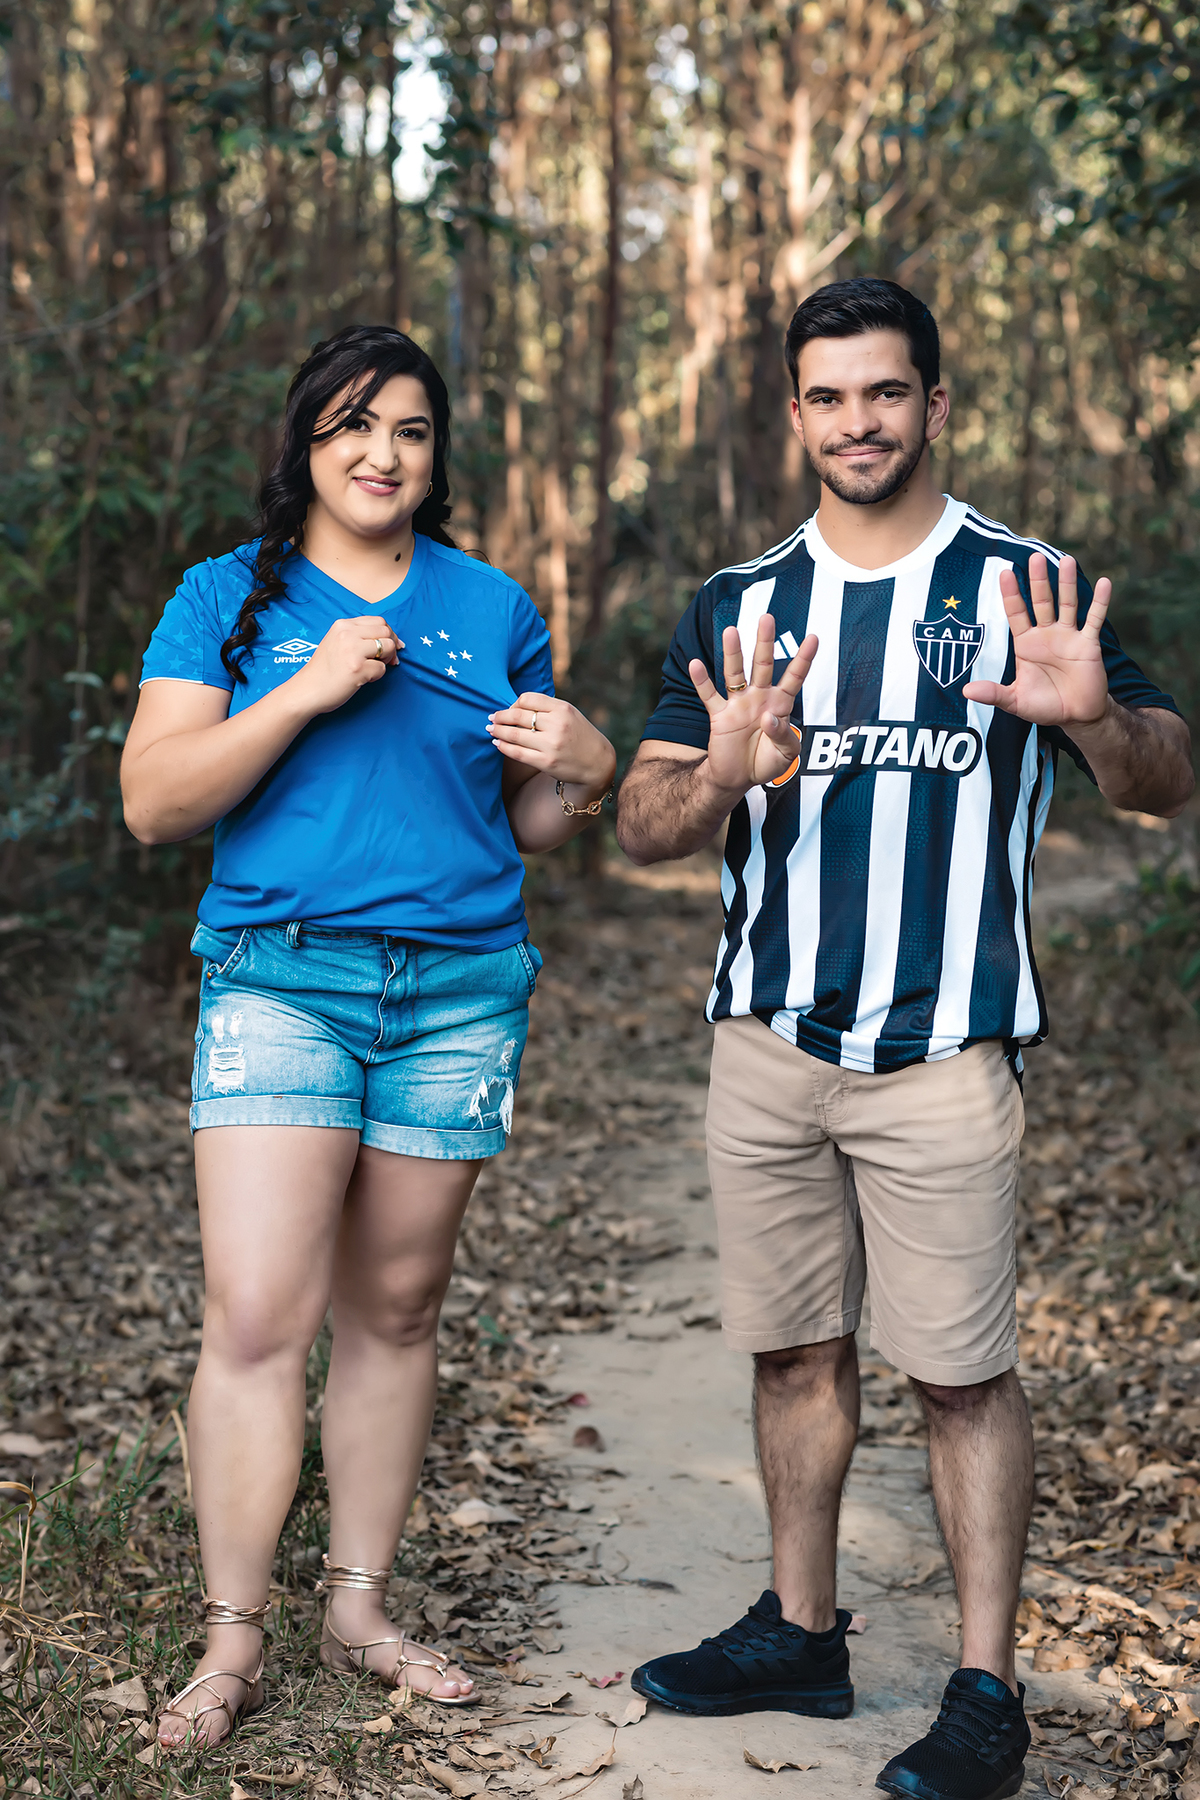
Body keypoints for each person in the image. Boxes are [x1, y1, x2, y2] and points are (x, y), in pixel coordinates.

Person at [616, 278, 1192, 1800]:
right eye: (828, 395)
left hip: (946, 1053)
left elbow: (1165, 778)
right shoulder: (739, 602)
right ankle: (801, 1633)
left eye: (885, 392)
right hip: (770, 1043)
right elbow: (642, 824)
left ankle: (986, 1691)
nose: (857, 421)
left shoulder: (1023, 583)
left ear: (935, 404)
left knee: (961, 1375)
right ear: (795, 412)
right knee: (794, 1351)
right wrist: (719, 773)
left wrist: (1092, 719)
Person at [121, 324, 616, 1750]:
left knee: (397, 1310)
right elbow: (156, 804)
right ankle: (233, 1639)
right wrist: (305, 687)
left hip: (460, 989)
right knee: (258, 1318)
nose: (381, 452)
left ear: (436, 452)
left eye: (408, 427)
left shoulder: (492, 603)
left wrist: (586, 772)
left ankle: (359, 1610)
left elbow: (516, 818)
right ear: (305, 444)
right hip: (282, 978)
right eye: (351, 425)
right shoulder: (230, 595)